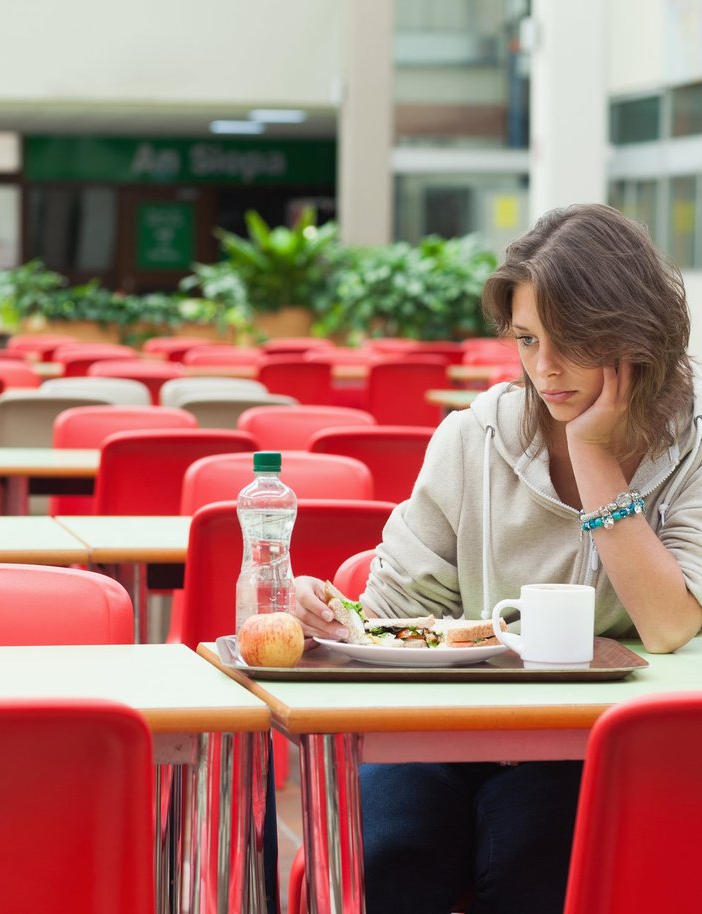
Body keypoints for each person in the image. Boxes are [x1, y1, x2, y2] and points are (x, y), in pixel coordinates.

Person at [293, 202, 702, 914]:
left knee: (536, 869)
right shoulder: (470, 437)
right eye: (525, 339)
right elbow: (393, 614)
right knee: (387, 859)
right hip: (445, 736)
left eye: (570, 341)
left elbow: (670, 626)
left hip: (597, 746)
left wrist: (593, 457)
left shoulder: (691, 448)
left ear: (635, 336)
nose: (544, 369)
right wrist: (330, 612)